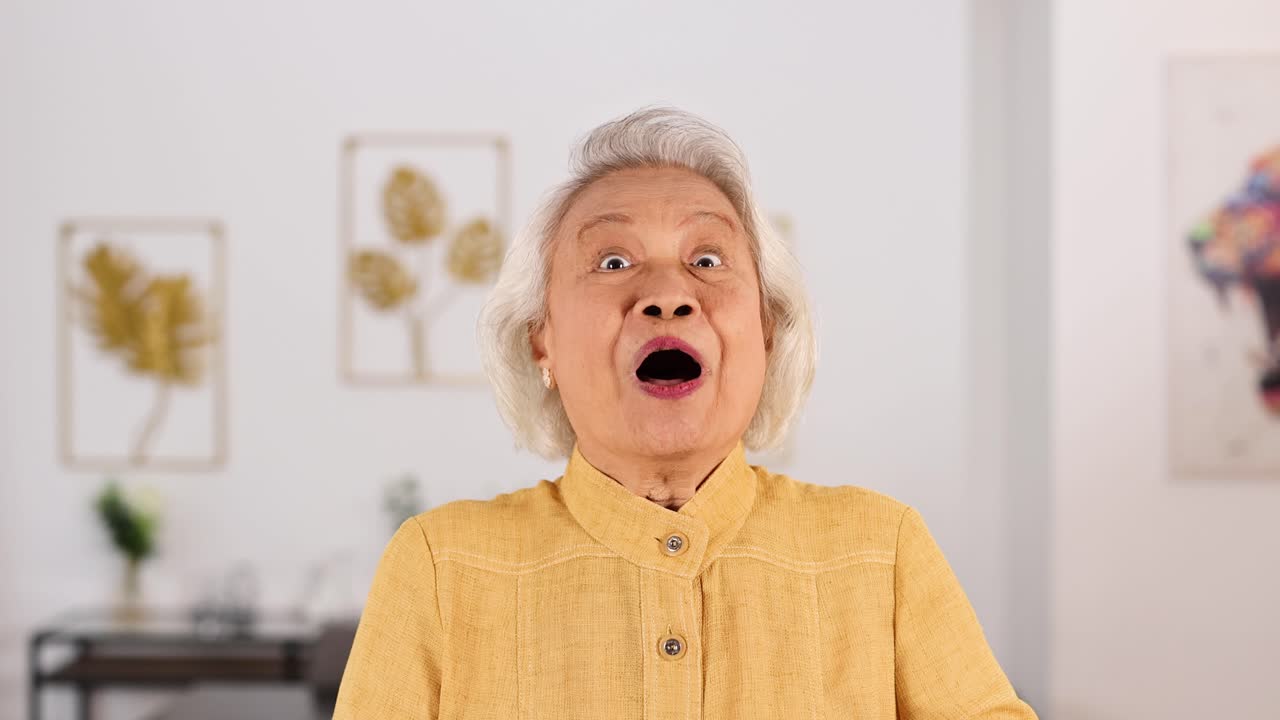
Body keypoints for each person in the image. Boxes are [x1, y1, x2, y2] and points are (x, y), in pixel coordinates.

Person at [333, 107, 1038, 718]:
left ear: (765, 328)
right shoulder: (439, 566)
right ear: (539, 336)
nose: (668, 293)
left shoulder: (881, 552)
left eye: (707, 259)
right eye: (612, 263)